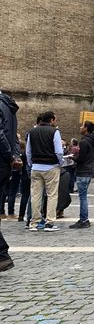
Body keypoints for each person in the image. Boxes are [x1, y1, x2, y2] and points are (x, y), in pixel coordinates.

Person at [26, 110, 64, 232]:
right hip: (51, 167)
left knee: (35, 196)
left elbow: (28, 151)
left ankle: (34, 222)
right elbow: (59, 151)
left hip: (36, 167)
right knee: (52, 195)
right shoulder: (55, 132)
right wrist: (60, 162)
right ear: (51, 120)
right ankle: (49, 223)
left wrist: (31, 164)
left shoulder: (32, 132)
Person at [0, 90, 19, 271]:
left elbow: (0, 135)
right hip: (5, 165)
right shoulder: (9, 106)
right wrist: (14, 156)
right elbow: (14, 138)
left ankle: (2, 254)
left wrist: (9, 155)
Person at [70, 120, 94, 229]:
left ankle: (84, 220)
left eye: (82, 126)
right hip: (89, 170)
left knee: (82, 197)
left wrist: (73, 158)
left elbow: (81, 159)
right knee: (83, 196)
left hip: (82, 171)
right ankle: (83, 218)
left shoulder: (84, 142)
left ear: (86, 128)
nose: (80, 127)